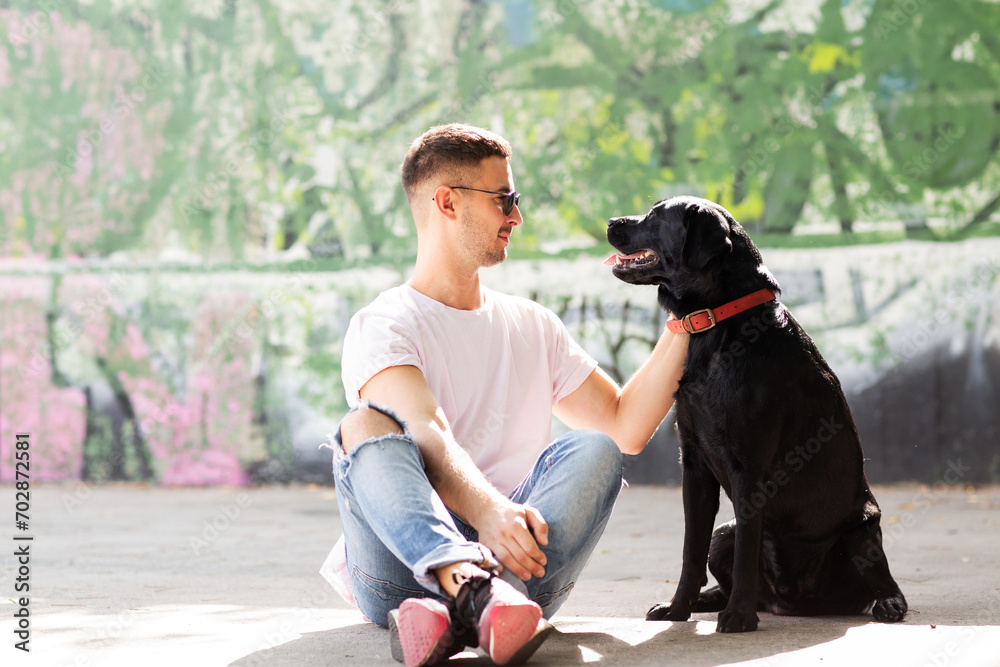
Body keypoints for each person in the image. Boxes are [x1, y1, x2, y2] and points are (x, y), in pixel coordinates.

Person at [326, 123, 688, 667]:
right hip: (401, 566)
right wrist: (491, 513)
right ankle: (471, 587)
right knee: (363, 428)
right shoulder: (384, 323)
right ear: (447, 202)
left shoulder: (532, 324)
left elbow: (624, 426)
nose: (516, 216)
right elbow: (427, 431)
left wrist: (691, 313)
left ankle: (463, 612)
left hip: (518, 553)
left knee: (595, 449)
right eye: (505, 199)